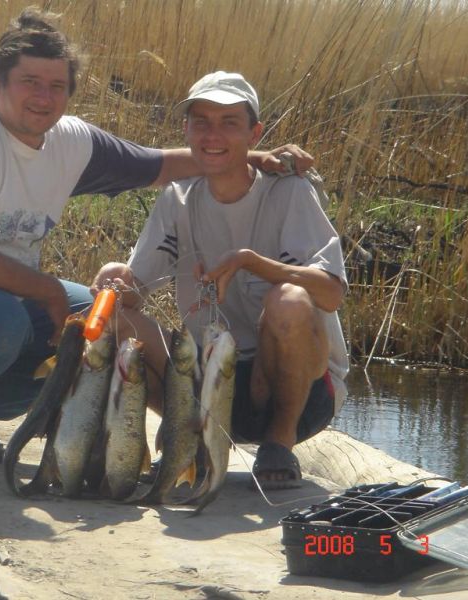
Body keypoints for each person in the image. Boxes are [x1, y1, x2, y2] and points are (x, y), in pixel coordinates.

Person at [0, 8, 313, 468]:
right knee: (3, 321)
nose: (43, 97)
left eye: (56, 86)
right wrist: (48, 291)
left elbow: (160, 165)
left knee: (97, 318)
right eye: (29, 83)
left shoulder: (70, 141)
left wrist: (252, 154)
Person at [91, 71, 348, 490]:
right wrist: (116, 282)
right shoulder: (177, 197)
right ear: (187, 131)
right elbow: (135, 295)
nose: (214, 134)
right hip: (209, 382)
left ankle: (278, 445)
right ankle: (183, 435)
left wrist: (249, 262)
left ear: (255, 133)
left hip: (301, 394)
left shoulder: (290, 191)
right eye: (202, 122)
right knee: (112, 309)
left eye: (229, 122)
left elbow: (331, 294)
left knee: (290, 300)